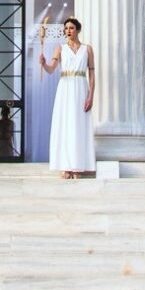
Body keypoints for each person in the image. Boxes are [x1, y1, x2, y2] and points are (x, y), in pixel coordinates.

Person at [40, 17, 96, 178]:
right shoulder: (60, 48)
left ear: (78, 29)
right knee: (66, 125)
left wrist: (91, 95)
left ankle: (78, 166)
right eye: (66, 28)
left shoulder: (87, 49)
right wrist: (43, 63)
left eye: (71, 28)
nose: (68, 31)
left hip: (80, 87)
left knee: (79, 126)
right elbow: (51, 69)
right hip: (65, 88)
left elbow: (92, 73)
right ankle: (66, 167)